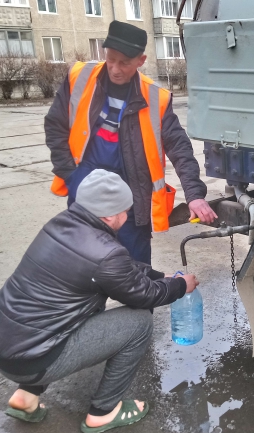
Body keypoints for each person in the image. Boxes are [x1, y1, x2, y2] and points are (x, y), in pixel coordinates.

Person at [0, 170, 199, 433]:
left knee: (59, 313)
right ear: (108, 215)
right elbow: (145, 296)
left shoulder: (61, 224)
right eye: (124, 211)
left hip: (11, 349)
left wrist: (159, 276)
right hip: (35, 360)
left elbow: (120, 269)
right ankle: (103, 412)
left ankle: (25, 397)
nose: (126, 216)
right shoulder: (106, 253)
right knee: (139, 323)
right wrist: (180, 286)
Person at [45, 20, 217, 264]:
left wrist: (195, 195)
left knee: (136, 272)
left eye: (124, 62)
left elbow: (180, 149)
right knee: (85, 271)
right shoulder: (79, 77)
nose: (115, 68)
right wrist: (71, 176)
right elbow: (55, 126)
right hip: (85, 190)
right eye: (110, 58)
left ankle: (139, 304)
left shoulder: (156, 98)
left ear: (141, 61)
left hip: (131, 200)